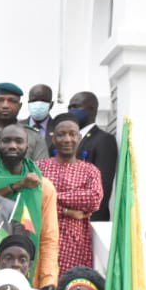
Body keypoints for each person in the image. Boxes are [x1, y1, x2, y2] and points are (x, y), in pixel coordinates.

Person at [0, 125, 60, 290]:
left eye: (18, 141)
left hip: (30, 276)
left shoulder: (43, 186)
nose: (12, 146)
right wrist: (18, 185)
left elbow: (49, 238)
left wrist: (48, 280)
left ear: (27, 147)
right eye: (6, 141)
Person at [39, 114, 104, 275]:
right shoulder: (39, 168)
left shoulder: (90, 171)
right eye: (61, 134)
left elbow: (93, 199)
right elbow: (35, 201)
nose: (67, 139)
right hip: (44, 239)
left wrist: (52, 196)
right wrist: (67, 211)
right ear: (53, 139)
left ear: (79, 137)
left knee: (72, 289)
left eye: (72, 134)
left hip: (76, 244)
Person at [70, 91, 118, 222]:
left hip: (90, 219)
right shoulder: (69, 140)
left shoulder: (103, 139)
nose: (71, 111)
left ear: (91, 109)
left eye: (75, 106)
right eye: (69, 107)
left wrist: (88, 216)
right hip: (67, 217)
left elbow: (103, 185)